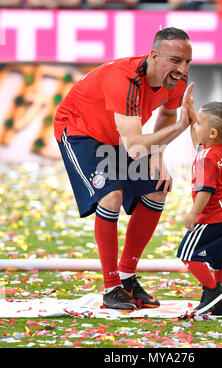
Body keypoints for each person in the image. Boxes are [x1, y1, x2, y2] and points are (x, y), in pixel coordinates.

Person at [54, 27, 193, 311]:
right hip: (80, 131)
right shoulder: (125, 79)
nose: (182, 68)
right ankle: (111, 286)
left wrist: (159, 153)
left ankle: (128, 277)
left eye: (187, 62)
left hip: (121, 137)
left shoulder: (175, 80)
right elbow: (135, 147)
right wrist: (180, 128)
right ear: (154, 56)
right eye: (176, 60)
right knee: (111, 196)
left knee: (158, 186)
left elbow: (167, 112)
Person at [177, 92, 222, 316]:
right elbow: (199, 142)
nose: (196, 127)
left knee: (186, 254)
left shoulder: (207, 158)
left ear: (212, 132)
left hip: (210, 219)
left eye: (200, 124)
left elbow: (205, 190)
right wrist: (193, 115)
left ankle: (213, 291)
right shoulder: (218, 149)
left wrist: (193, 214)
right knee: (221, 264)